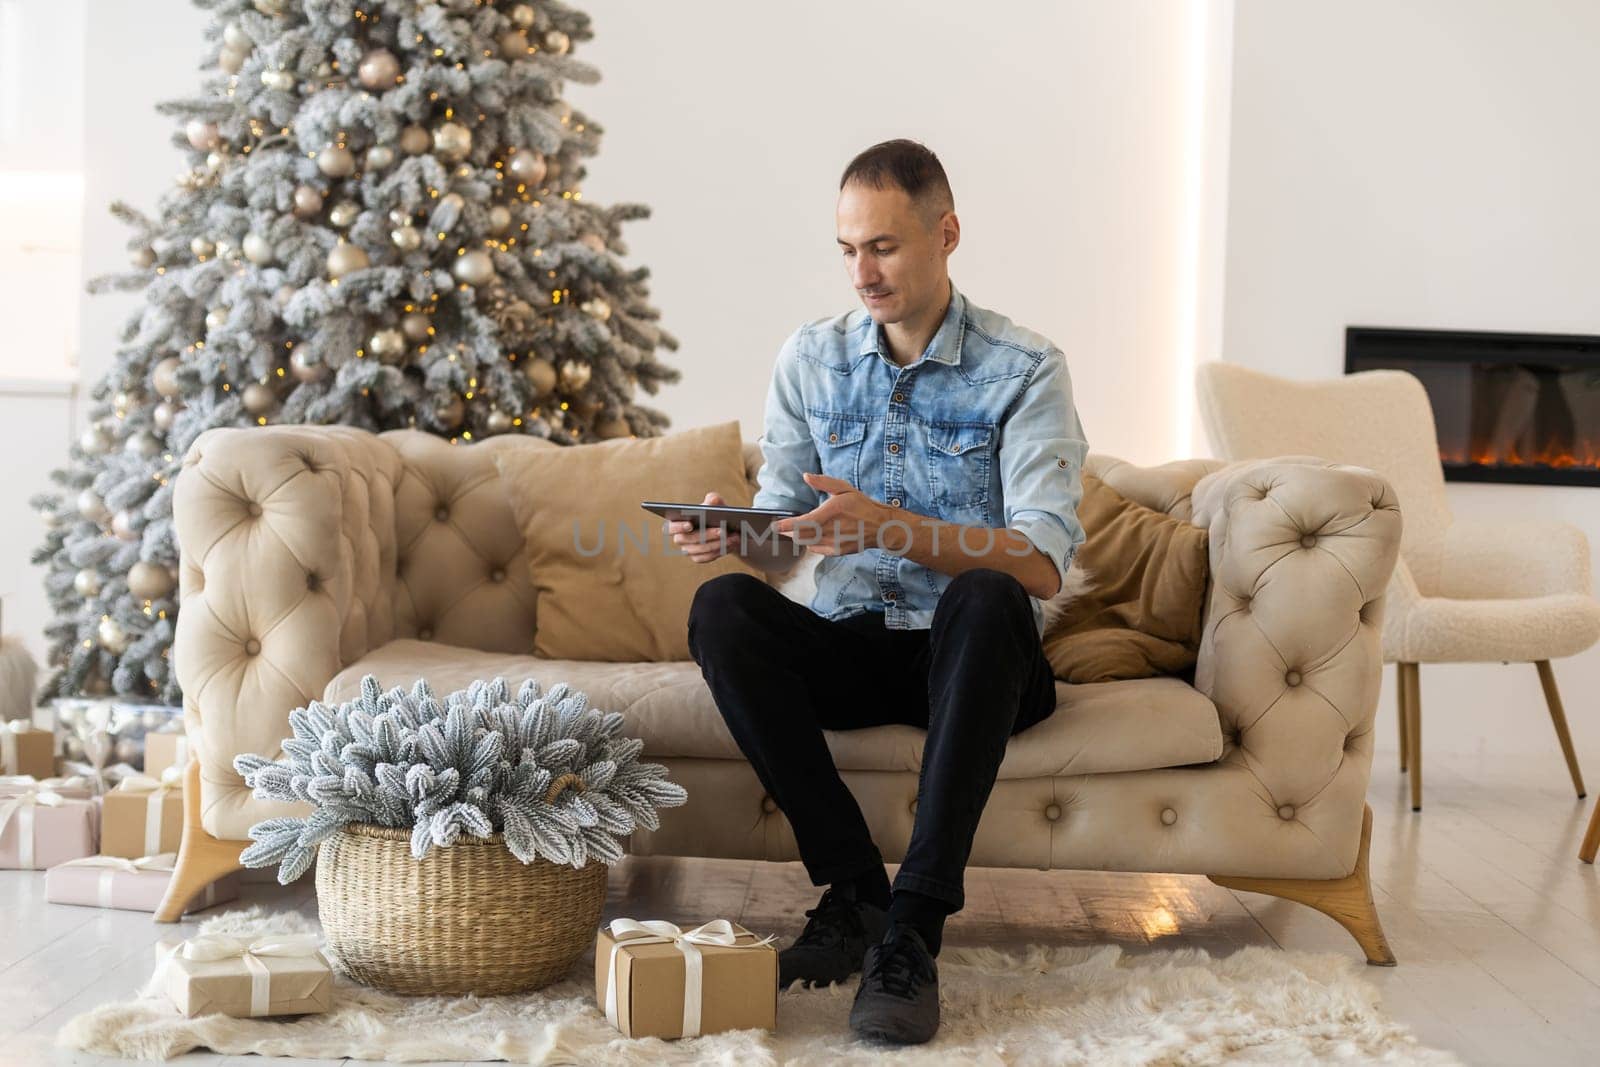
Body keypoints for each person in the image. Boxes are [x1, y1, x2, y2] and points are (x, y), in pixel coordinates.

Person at [669, 138, 1089, 1045]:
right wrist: (735, 535)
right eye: (849, 250)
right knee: (723, 610)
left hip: (978, 658)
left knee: (987, 594)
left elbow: (1042, 562)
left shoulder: (1026, 369)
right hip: (854, 641)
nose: (863, 271)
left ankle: (913, 932)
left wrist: (890, 525)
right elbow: (787, 542)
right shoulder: (810, 360)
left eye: (885, 247)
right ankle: (856, 891)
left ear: (946, 234)